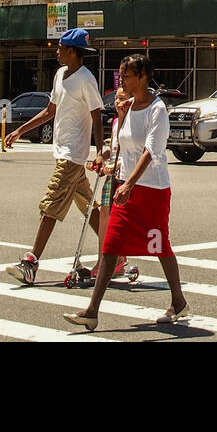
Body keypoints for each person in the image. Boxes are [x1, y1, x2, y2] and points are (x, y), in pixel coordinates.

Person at [65, 54, 188, 329]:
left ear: (143, 76)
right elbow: (121, 145)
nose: (123, 80)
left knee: (160, 246)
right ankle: (92, 311)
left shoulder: (157, 109)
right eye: (122, 75)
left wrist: (130, 184)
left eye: (128, 75)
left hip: (152, 189)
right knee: (110, 245)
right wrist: (113, 168)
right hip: (125, 185)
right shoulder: (127, 107)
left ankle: (178, 301)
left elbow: (151, 151)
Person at [4, 28, 105, 285]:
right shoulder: (60, 74)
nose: (56, 51)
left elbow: (96, 116)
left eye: (60, 47)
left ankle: (31, 262)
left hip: (73, 155)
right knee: (89, 207)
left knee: (50, 203)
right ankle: (117, 256)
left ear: (72, 51)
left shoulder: (86, 79)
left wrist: (101, 151)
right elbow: (50, 110)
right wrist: (19, 130)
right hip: (64, 151)